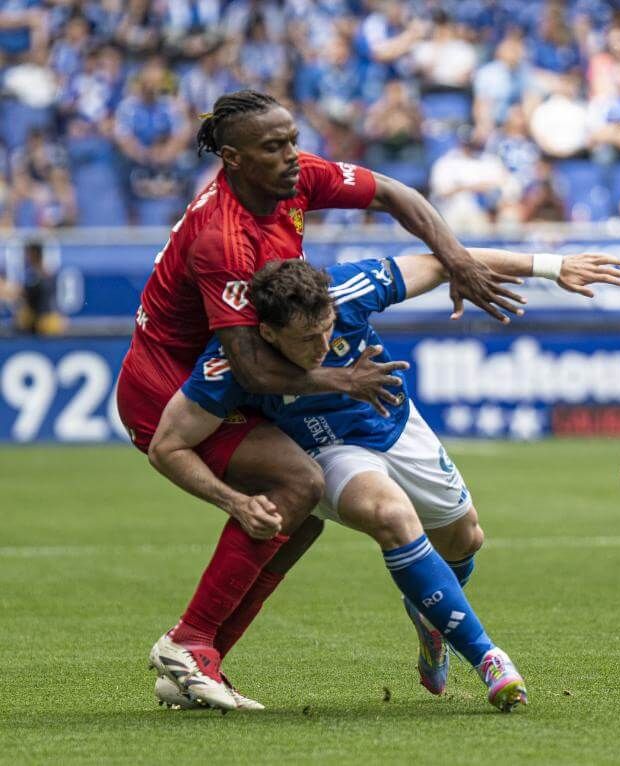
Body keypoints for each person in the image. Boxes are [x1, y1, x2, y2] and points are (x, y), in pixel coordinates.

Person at [115, 89, 524, 712]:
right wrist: (343, 380)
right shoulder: (223, 241)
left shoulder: (292, 179)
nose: (291, 157)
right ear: (232, 159)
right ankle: (191, 642)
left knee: (297, 514)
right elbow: (250, 364)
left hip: (223, 373)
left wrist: (457, 259)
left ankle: (200, 659)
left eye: (292, 141)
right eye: (273, 148)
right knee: (297, 482)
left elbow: (397, 195)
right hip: (171, 385)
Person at [147, 249, 620, 711]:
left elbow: (444, 263)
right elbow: (167, 446)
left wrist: (552, 265)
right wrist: (233, 501)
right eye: (305, 340)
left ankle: (427, 613)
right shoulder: (232, 359)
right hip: (327, 449)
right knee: (390, 515)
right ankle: (488, 658)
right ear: (268, 334)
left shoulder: (349, 288)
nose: (322, 347)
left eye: (327, 332)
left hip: (396, 423)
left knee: (465, 539)